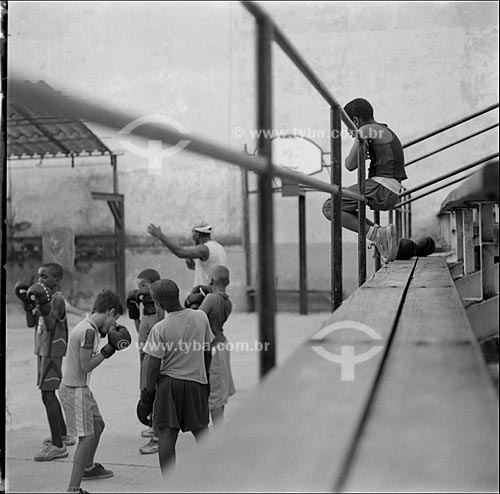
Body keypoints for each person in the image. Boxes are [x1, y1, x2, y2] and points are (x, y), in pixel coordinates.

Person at [137, 279, 213, 478]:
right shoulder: (200, 317)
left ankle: (171, 485)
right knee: (202, 432)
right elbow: (207, 351)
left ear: (159, 305)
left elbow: (152, 367)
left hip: (169, 386)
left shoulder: (160, 328)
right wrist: (206, 380)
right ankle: (214, 476)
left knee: (167, 437)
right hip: (196, 382)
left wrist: (146, 397)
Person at [59, 289, 131, 493]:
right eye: (114, 319)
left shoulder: (88, 324)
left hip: (81, 388)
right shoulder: (89, 331)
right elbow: (86, 366)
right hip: (75, 389)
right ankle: (73, 488)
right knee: (86, 437)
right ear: (110, 311)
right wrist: (110, 349)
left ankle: (88, 467)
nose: (113, 326)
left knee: (98, 424)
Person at [322, 98, 407, 263]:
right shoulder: (381, 129)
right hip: (388, 187)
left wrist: (359, 142)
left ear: (355, 121)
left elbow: (349, 164)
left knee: (329, 206)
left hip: (382, 187)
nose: (348, 131)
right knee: (342, 202)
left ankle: (378, 235)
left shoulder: (367, 130)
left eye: (347, 125)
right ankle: (379, 233)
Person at [14, 263, 75, 461]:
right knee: (48, 392)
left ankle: (58, 446)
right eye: (39, 276)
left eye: (45, 276)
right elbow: (31, 323)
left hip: (52, 352)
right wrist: (27, 303)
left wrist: (42, 303)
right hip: (42, 350)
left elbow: (50, 325)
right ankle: (63, 435)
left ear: (56, 280)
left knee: (47, 394)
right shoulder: (43, 296)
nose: (40, 280)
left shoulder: (56, 299)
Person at [126, 268, 165, 454]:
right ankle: (153, 426)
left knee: (155, 394)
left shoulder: (158, 307)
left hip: (155, 358)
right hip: (144, 356)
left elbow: (158, 330)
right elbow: (141, 330)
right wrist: (134, 312)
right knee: (148, 391)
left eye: (144, 286)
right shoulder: (146, 308)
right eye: (138, 286)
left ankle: (158, 438)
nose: (140, 290)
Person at [198, 265, 235, 427]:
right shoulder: (228, 302)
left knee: (216, 394)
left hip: (214, 349)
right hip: (222, 345)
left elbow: (197, 318)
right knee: (218, 391)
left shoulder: (212, 299)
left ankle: (219, 434)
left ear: (211, 280)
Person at [147, 222, 227, 286]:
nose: (192, 238)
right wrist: (195, 267)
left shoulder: (204, 248)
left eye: (193, 235)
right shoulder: (219, 247)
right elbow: (213, 271)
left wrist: (160, 236)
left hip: (206, 295)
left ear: (197, 235)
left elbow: (181, 253)